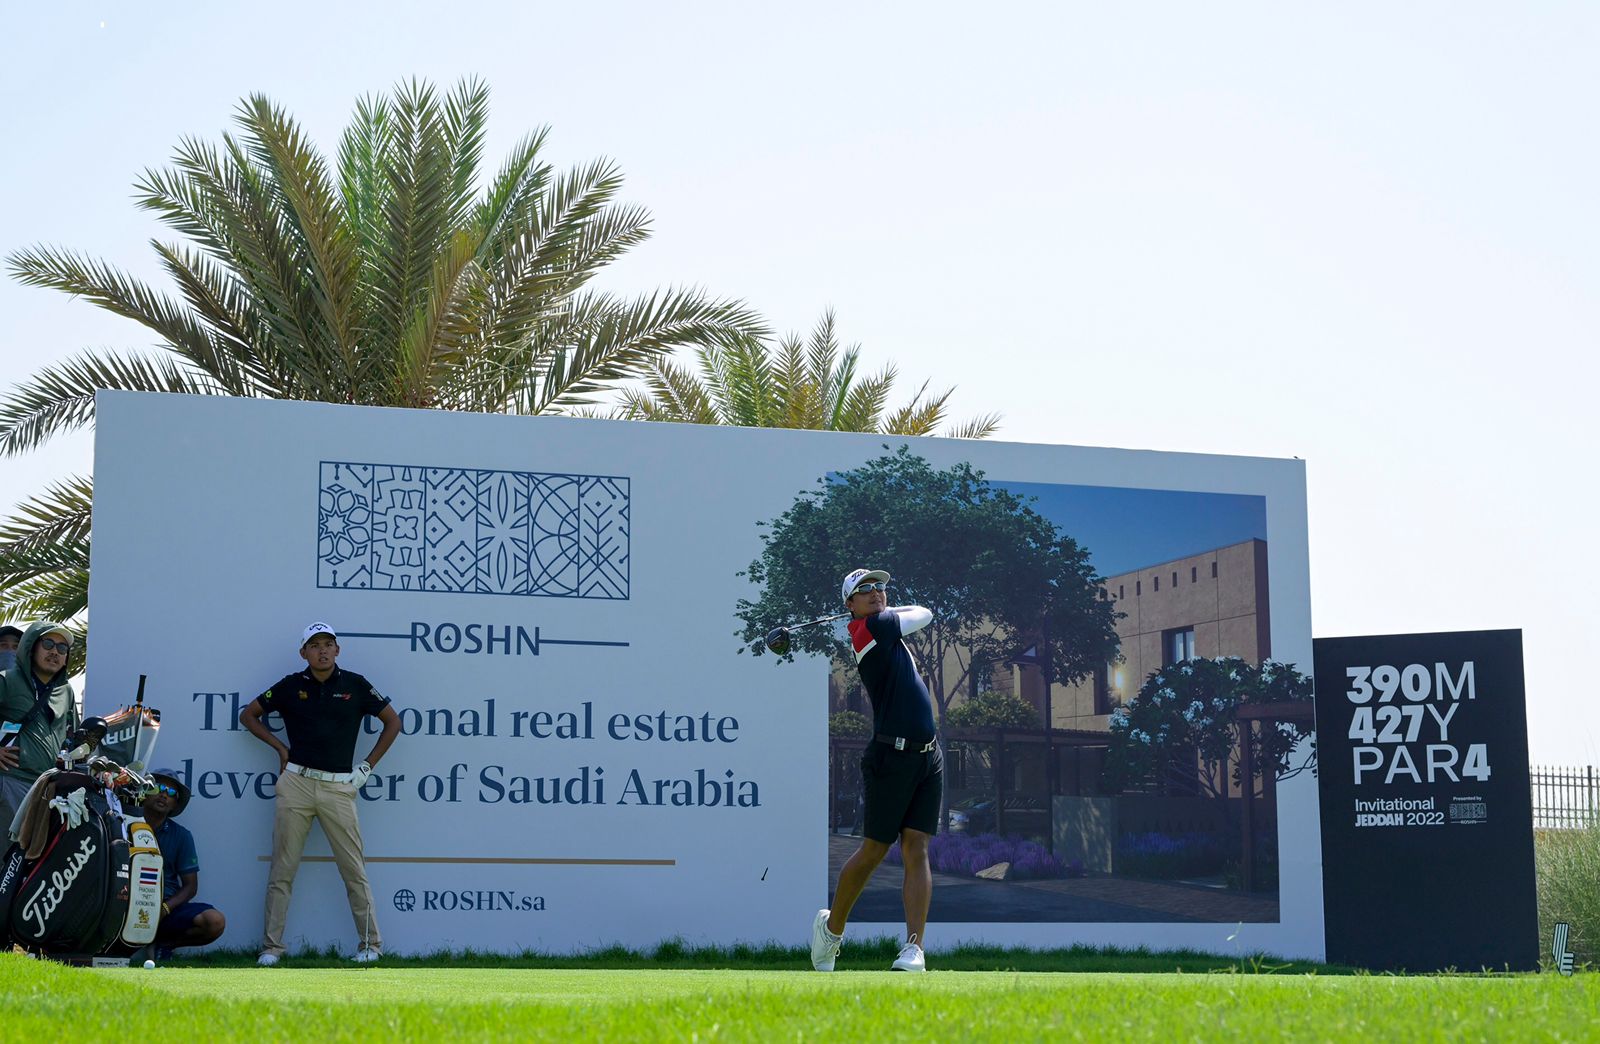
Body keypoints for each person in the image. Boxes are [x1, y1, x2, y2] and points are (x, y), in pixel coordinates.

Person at [240, 622, 400, 966]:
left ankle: (371, 945)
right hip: (296, 783)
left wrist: (367, 767)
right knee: (282, 870)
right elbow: (249, 715)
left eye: (328, 644)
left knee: (353, 869)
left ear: (337, 650)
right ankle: (271, 948)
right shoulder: (290, 685)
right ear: (304, 653)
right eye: (315, 645)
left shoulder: (355, 684)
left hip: (339, 786)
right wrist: (280, 748)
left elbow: (393, 722)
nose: (322, 650)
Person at [811, 568, 940, 974]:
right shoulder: (871, 628)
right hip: (890, 756)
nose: (876, 592)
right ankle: (831, 931)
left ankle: (914, 949)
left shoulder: (879, 625)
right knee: (875, 850)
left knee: (917, 846)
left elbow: (913, 612)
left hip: (928, 755)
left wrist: (880, 607)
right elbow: (924, 612)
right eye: (864, 589)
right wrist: (883, 611)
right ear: (850, 604)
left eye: (880, 587)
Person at [0, 622, 80, 835]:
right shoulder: (7, 680)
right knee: (7, 853)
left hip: (48, 790)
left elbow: (76, 737)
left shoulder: (66, 691)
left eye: (62, 648)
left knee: (36, 855)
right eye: (48, 644)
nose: (55, 652)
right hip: (11, 782)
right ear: (31, 647)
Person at [142, 766, 226, 957]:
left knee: (215, 921)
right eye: (159, 788)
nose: (164, 795)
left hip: (165, 909)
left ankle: (164, 945)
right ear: (145, 792)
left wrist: (164, 909)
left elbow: (190, 886)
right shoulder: (125, 823)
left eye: (171, 793)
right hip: (125, 904)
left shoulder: (181, 835)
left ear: (175, 804)